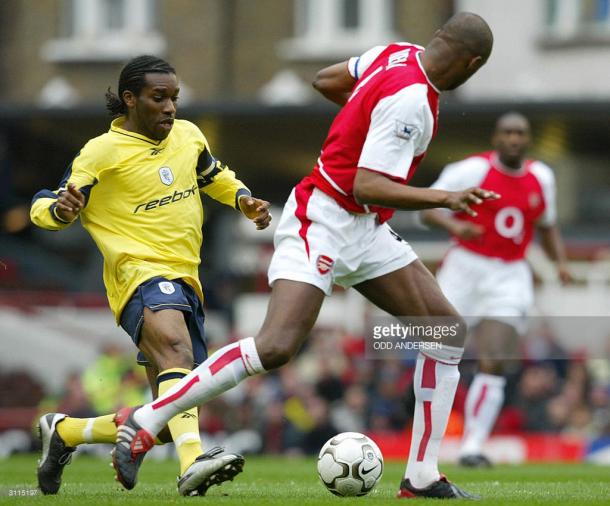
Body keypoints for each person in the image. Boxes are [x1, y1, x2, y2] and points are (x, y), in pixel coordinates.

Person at [111, 12, 495, 499]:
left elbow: (325, 79)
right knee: (275, 346)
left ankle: (422, 476)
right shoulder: (412, 102)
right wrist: (443, 197)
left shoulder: (395, 53)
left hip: (365, 227)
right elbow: (367, 182)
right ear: (472, 63)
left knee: (445, 333)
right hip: (325, 217)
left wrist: (361, 116)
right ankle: (148, 419)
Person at [30, 55, 271, 496]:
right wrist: (60, 211)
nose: (170, 107)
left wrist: (241, 199)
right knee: (178, 352)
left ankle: (64, 433)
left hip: (187, 278)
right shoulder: (101, 152)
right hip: (137, 275)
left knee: (167, 412)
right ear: (130, 99)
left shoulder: (188, 135)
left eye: (174, 98)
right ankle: (192, 464)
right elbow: (45, 203)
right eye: (159, 98)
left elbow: (212, 174)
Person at [421, 112, 572, 467]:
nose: (514, 139)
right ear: (496, 138)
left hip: (510, 273)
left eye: (520, 133)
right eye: (508, 132)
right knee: (439, 351)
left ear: (528, 139)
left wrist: (560, 263)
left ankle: (473, 445)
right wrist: (457, 228)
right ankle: (427, 433)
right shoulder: (470, 170)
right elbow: (428, 209)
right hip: (465, 267)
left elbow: (546, 226)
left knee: (496, 358)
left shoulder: (541, 178)